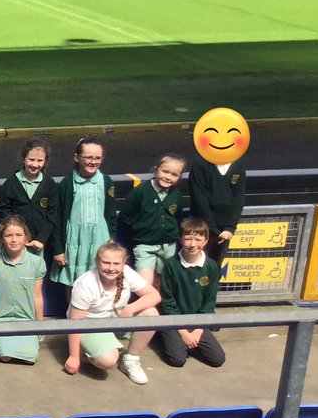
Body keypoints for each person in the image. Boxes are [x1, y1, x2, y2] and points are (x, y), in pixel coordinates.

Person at [65, 241, 162, 385]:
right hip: (90, 324)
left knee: (151, 313)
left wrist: (130, 309)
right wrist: (74, 356)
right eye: (106, 262)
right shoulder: (85, 284)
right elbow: (75, 323)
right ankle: (86, 352)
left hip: (117, 318)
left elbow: (154, 296)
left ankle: (130, 359)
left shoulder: (127, 272)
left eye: (116, 263)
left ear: (124, 263)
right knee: (108, 360)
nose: (111, 268)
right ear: (97, 262)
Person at [156, 217, 225, 368]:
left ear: (206, 240)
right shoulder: (171, 266)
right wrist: (184, 333)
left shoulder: (212, 267)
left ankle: (189, 344)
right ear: (180, 239)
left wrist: (198, 331)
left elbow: (209, 302)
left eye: (198, 239)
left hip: (197, 321)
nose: (192, 244)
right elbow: (168, 302)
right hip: (174, 320)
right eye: (187, 239)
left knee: (218, 359)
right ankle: (165, 337)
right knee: (178, 360)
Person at [50, 137, 117, 292]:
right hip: (74, 240)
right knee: (74, 280)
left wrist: (112, 238)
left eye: (97, 158)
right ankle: (75, 315)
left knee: (101, 278)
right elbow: (58, 218)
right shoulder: (67, 184)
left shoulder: (106, 181)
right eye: (88, 157)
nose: (93, 162)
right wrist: (58, 249)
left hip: (99, 239)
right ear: (76, 157)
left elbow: (111, 213)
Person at [0, 216, 46, 365]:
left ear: (26, 238)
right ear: (2, 238)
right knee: (5, 356)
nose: (14, 240)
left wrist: (40, 325)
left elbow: (37, 296)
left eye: (18, 235)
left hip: (26, 321)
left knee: (30, 358)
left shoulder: (37, 263)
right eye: (8, 235)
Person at [118, 154, 186, 289]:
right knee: (144, 284)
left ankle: (159, 309)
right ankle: (146, 308)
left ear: (179, 178)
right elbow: (125, 218)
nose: (168, 177)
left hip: (168, 246)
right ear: (156, 170)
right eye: (165, 171)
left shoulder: (176, 194)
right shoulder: (140, 193)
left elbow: (177, 217)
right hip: (145, 246)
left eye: (174, 174)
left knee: (163, 282)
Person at [0, 138, 59, 257]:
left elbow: (52, 215)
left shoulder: (49, 184)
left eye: (40, 160)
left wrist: (41, 239)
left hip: (37, 245)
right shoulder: (11, 182)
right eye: (31, 159)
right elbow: (4, 211)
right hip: (14, 243)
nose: (35, 164)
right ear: (23, 159)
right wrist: (16, 236)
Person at [189, 149, 247, 261]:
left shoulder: (238, 164)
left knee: (215, 267)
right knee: (196, 264)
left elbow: (239, 197)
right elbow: (199, 198)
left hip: (224, 230)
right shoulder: (200, 163)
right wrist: (213, 229)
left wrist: (230, 227)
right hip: (201, 227)